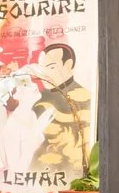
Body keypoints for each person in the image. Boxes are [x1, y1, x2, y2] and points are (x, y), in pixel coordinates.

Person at [28, 41, 91, 182]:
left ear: (68, 65)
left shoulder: (84, 99)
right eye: (42, 68)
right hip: (34, 176)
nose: (44, 74)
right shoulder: (37, 98)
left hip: (68, 176)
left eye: (51, 67)